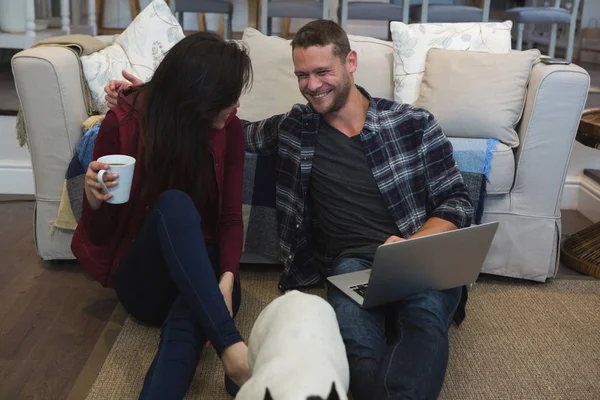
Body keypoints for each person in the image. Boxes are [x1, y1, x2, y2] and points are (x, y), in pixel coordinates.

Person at [105, 20, 473, 400]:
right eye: (302, 75)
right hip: (351, 264)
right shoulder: (296, 126)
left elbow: (456, 201)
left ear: (351, 62)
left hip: (418, 253)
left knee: (425, 320)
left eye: (322, 72)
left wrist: (411, 245)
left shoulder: (413, 123)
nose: (312, 85)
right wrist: (143, 97)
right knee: (354, 342)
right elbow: (217, 118)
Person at [72, 32, 253, 399]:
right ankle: (234, 350)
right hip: (145, 280)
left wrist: (227, 281)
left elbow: (231, 218)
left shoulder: (230, 130)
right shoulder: (124, 125)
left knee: (189, 321)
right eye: (226, 97)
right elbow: (103, 234)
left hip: (204, 274)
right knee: (174, 204)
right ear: (194, 99)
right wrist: (93, 202)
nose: (234, 105)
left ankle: (225, 357)